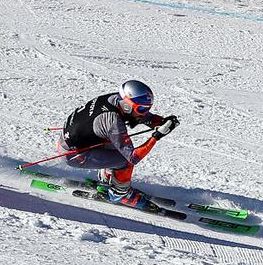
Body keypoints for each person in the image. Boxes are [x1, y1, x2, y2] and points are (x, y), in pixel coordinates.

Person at [57, 79, 179, 208]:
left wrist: (160, 121)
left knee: (116, 143)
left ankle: (107, 177)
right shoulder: (112, 121)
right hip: (74, 155)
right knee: (125, 161)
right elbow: (133, 157)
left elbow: (135, 116)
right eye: (142, 109)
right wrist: (157, 136)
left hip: (79, 142)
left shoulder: (115, 99)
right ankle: (119, 193)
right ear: (127, 104)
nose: (144, 112)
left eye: (148, 108)